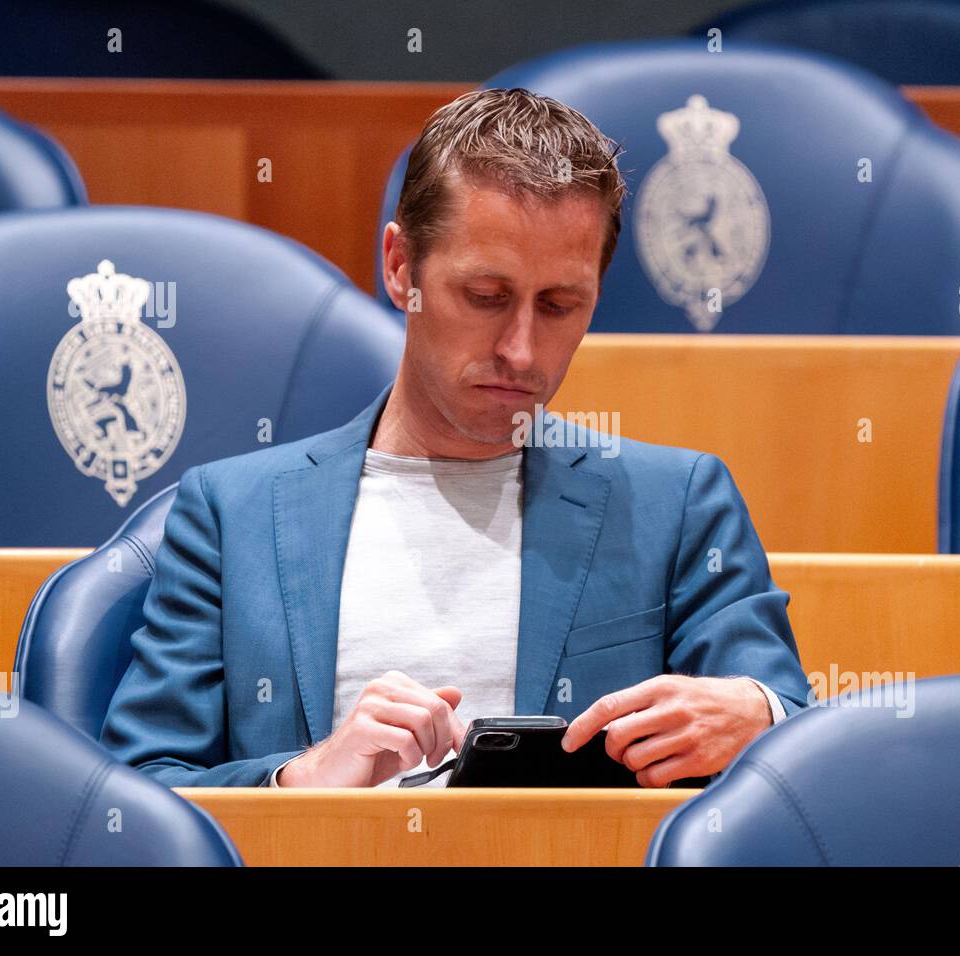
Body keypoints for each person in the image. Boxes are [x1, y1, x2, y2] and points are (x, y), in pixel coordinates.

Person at [100, 88, 809, 789]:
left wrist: (760, 714)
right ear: (402, 267)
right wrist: (300, 780)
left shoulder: (678, 505)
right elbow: (139, 795)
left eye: (560, 306)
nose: (524, 353)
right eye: (485, 297)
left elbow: (797, 747)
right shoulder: (232, 514)